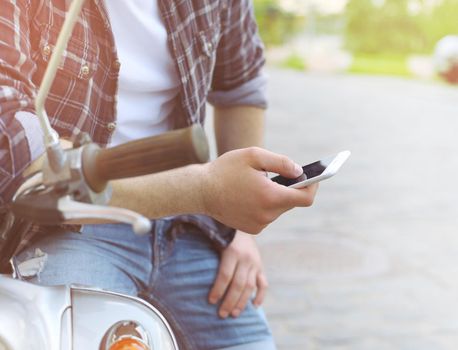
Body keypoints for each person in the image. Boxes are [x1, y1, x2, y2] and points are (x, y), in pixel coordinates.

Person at [0, 0, 318, 349]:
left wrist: (240, 235)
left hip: (186, 224)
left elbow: (241, 82)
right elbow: (16, 153)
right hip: (68, 226)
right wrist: (206, 191)